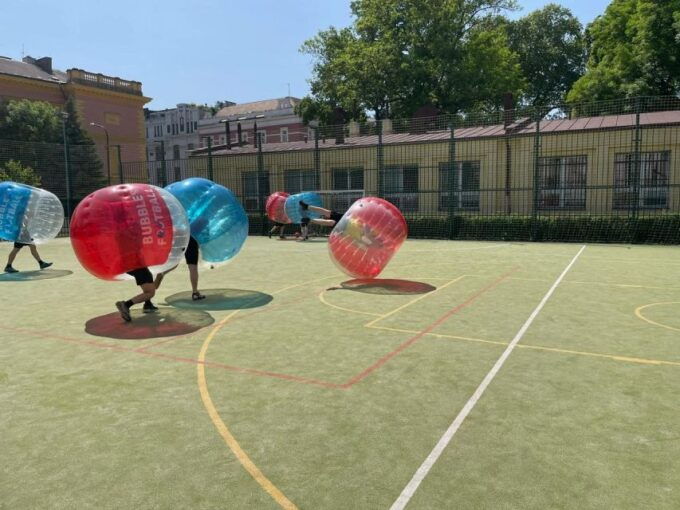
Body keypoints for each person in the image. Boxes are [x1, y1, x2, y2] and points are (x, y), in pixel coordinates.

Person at [143, 236, 206, 312]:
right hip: (191, 238)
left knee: (174, 264)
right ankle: (195, 293)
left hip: (179, 238)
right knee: (193, 267)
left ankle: (163, 273)